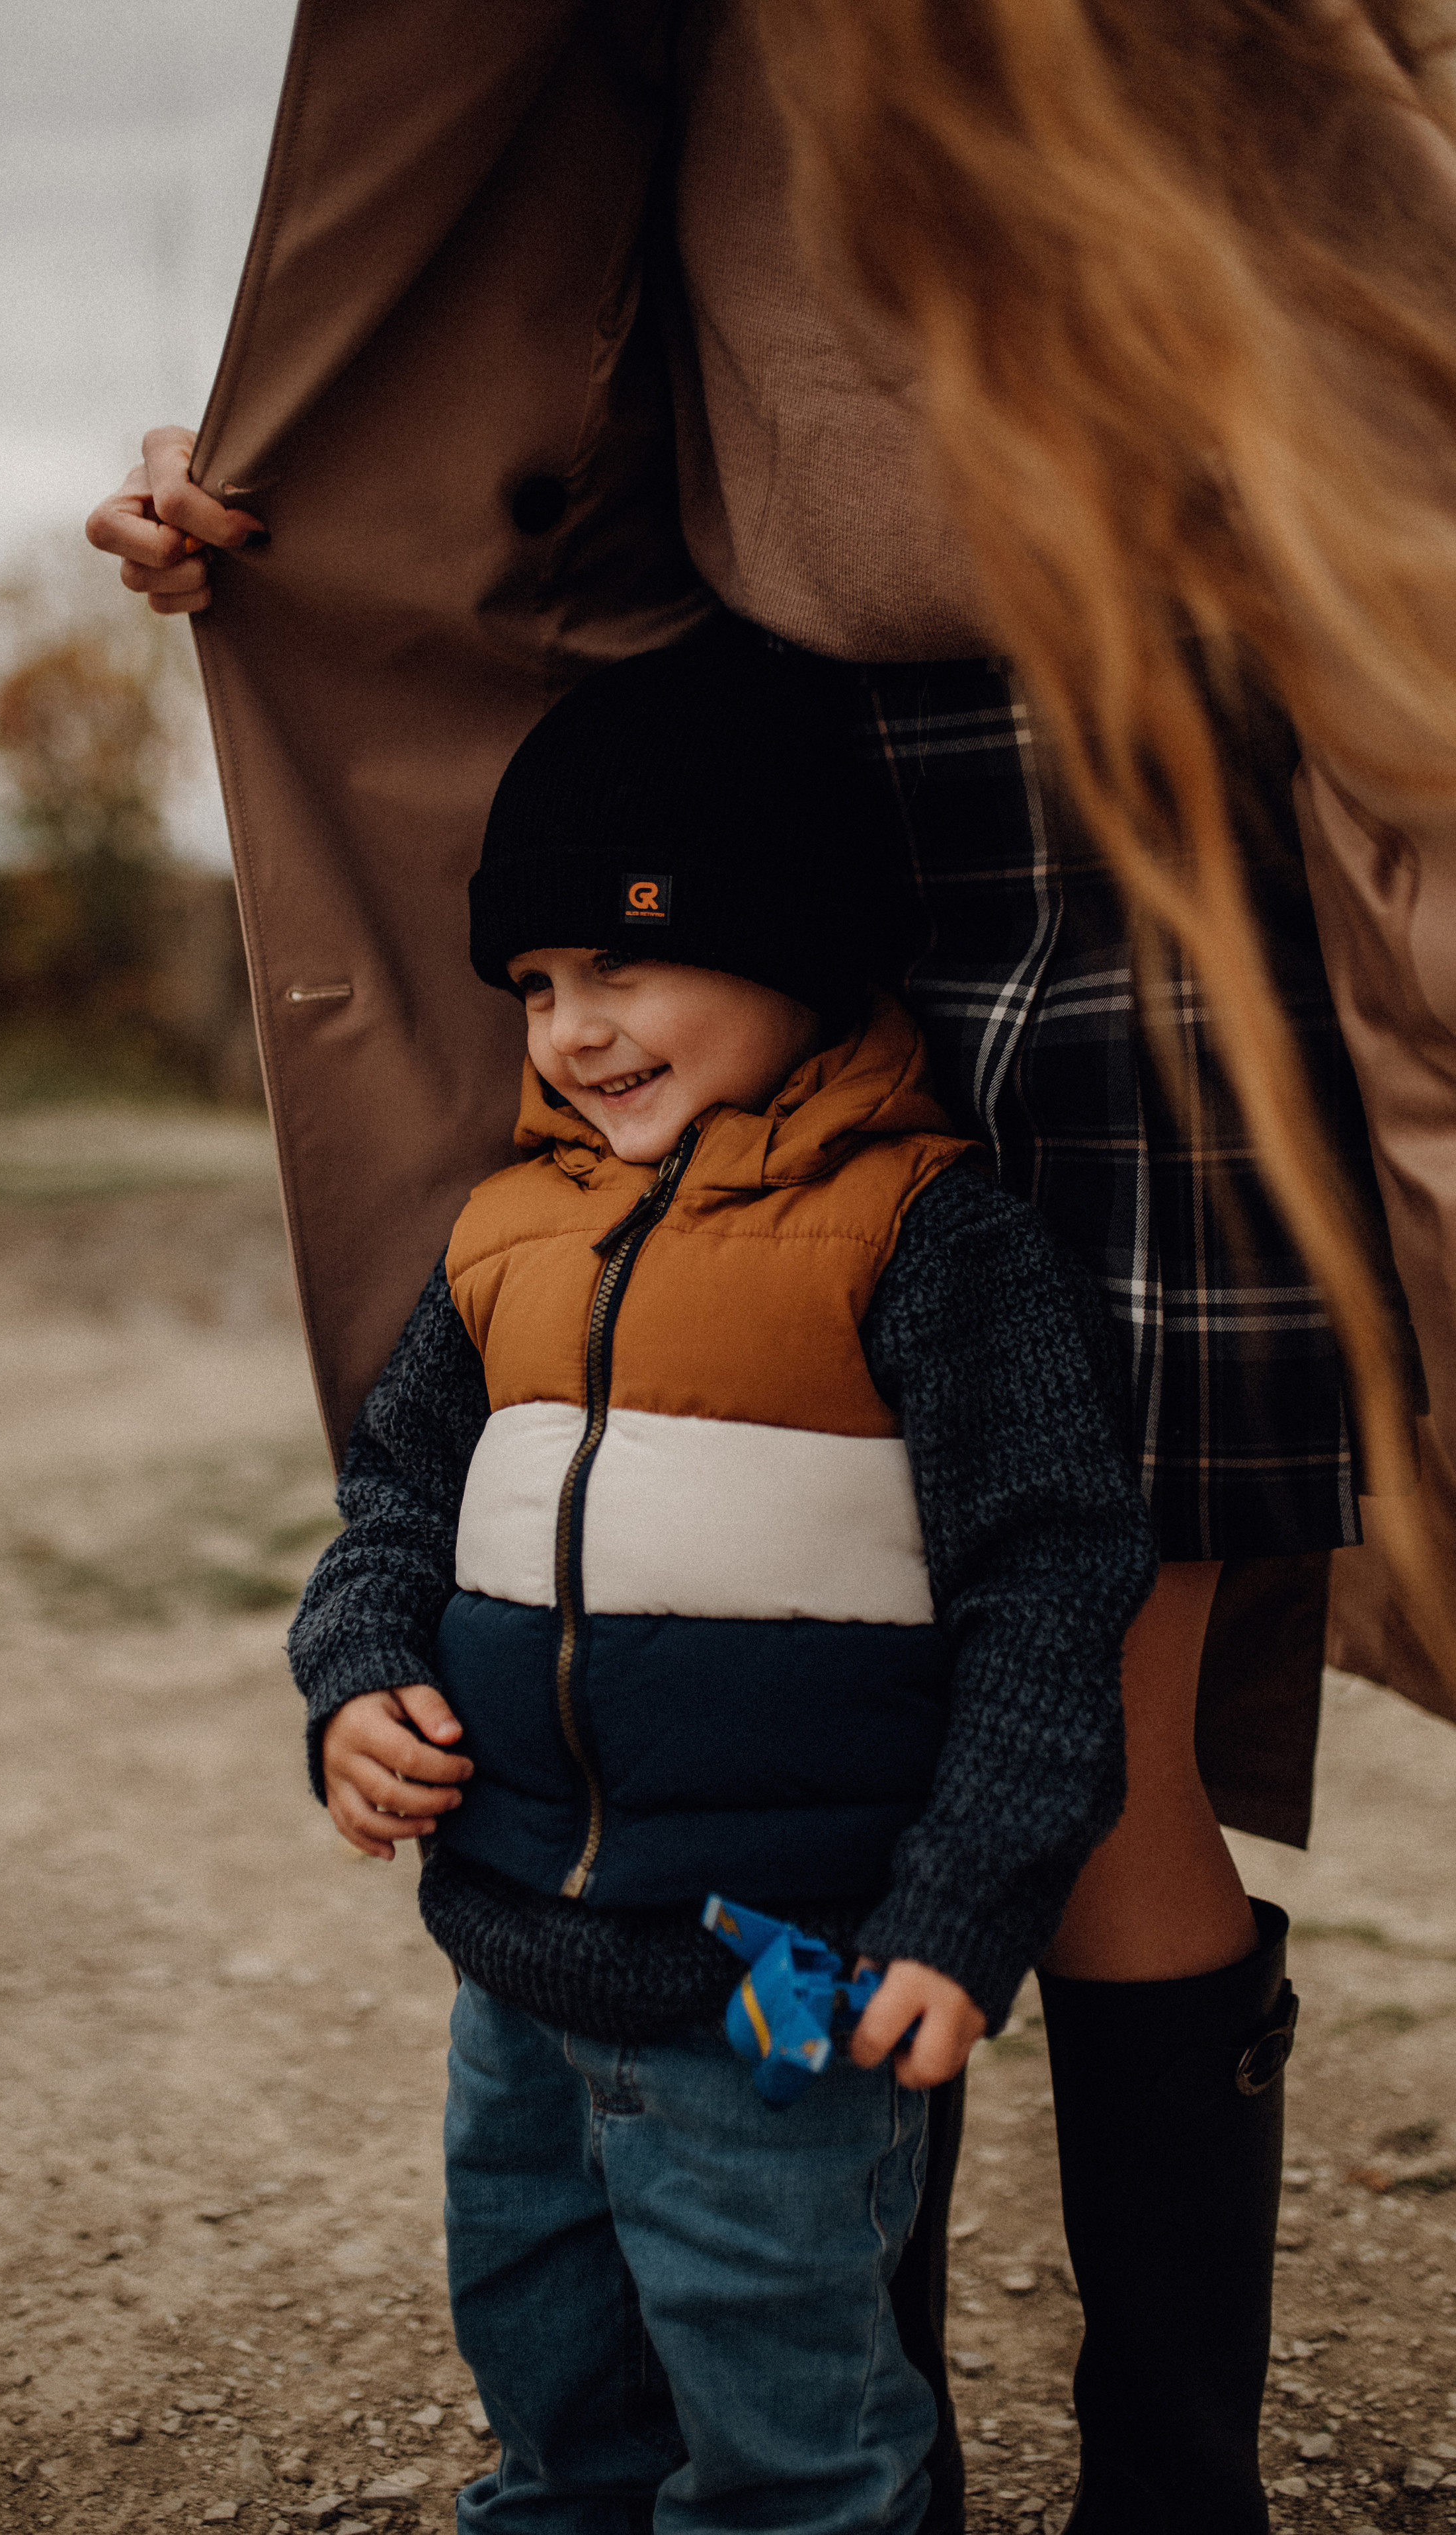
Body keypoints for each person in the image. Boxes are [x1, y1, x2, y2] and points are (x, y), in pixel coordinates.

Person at [85, 5, 1456, 2524]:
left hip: (1166, 788)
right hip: (772, 796)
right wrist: (267, 486)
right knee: (822, 1667)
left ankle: (1180, 2494)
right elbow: (526, 346)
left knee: (1109, 1743)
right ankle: (851, 2444)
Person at [290, 623, 1162, 2535]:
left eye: (626, 957)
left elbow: (1047, 1589)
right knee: (549, 2372)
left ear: (791, 938)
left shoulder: (933, 1239)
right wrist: (351, 1678)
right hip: (513, 1958)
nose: (572, 1026)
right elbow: (392, 1506)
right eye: (534, 980)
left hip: (785, 1974)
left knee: (785, 2401)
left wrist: (958, 1911)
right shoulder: (503, 1231)